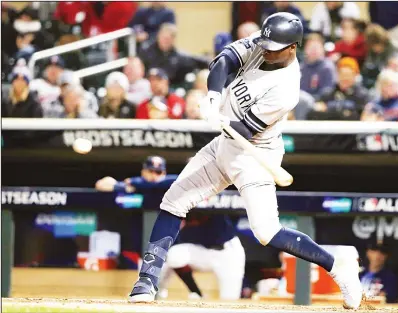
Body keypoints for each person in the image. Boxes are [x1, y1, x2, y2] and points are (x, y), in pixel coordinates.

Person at [128, 12, 363, 310]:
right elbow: (223, 62)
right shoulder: (262, 41)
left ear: (292, 47)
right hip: (224, 145)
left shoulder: (286, 89)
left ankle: (337, 266)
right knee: (173, 201)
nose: (265, 49)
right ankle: (146, 280)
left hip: (255, 154)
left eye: (274, 46)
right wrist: (213, 96)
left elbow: (243, 129)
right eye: (265, 42)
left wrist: (218, 119)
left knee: (267, 232)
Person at [157, 212, 245, 301]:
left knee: (230, 300)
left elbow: (215, 228)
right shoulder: (180, 210)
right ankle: (197, 294)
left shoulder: (214, 212)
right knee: (174, 255)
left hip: (227, 253)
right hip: (202, 251)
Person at [139, 23, 210, 86]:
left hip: (172, 89)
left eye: (168, 39)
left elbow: (199, 61)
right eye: (164, 38)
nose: (165, 41)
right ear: (158, 36)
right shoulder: (146, 52)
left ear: (173, 40)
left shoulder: (180, 57)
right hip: (148, 86)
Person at [95, 156, 176, 192]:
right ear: (143, 172)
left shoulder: (172, 182)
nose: (154, 175)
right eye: (151, 171)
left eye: (158, 172)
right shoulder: (136, 182)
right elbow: (100, 185)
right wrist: (121, 187)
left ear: (164, 173)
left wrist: (135, 183)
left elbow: (158, 184)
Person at [300, 33, 337, 99]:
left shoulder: (327, 67)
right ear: (305, 49)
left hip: (320, 102)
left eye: (316, 47)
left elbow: (328, 90)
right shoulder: (302, 67)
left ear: (323, 49)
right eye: (311, 47)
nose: (314, 50)